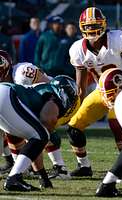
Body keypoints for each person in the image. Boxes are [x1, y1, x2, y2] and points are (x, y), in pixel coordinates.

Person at [65, 7, 122, 177]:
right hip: (102, 92)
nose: (91, 29)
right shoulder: (77, 49)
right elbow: (81, 85)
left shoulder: (118, 39)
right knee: (74, 126)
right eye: (88, 25)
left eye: (95, 25)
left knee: (115, 123)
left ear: (103, 24)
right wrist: (75, 106)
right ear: (81, 27)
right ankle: (84, 166)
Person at [0, 50, 71, 186]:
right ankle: (20, 170)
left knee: (44, 133)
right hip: (15, 102)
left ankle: (59, 166)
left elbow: (48, 89)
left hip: (48, 103)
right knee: (23, 134)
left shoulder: (22, 72)